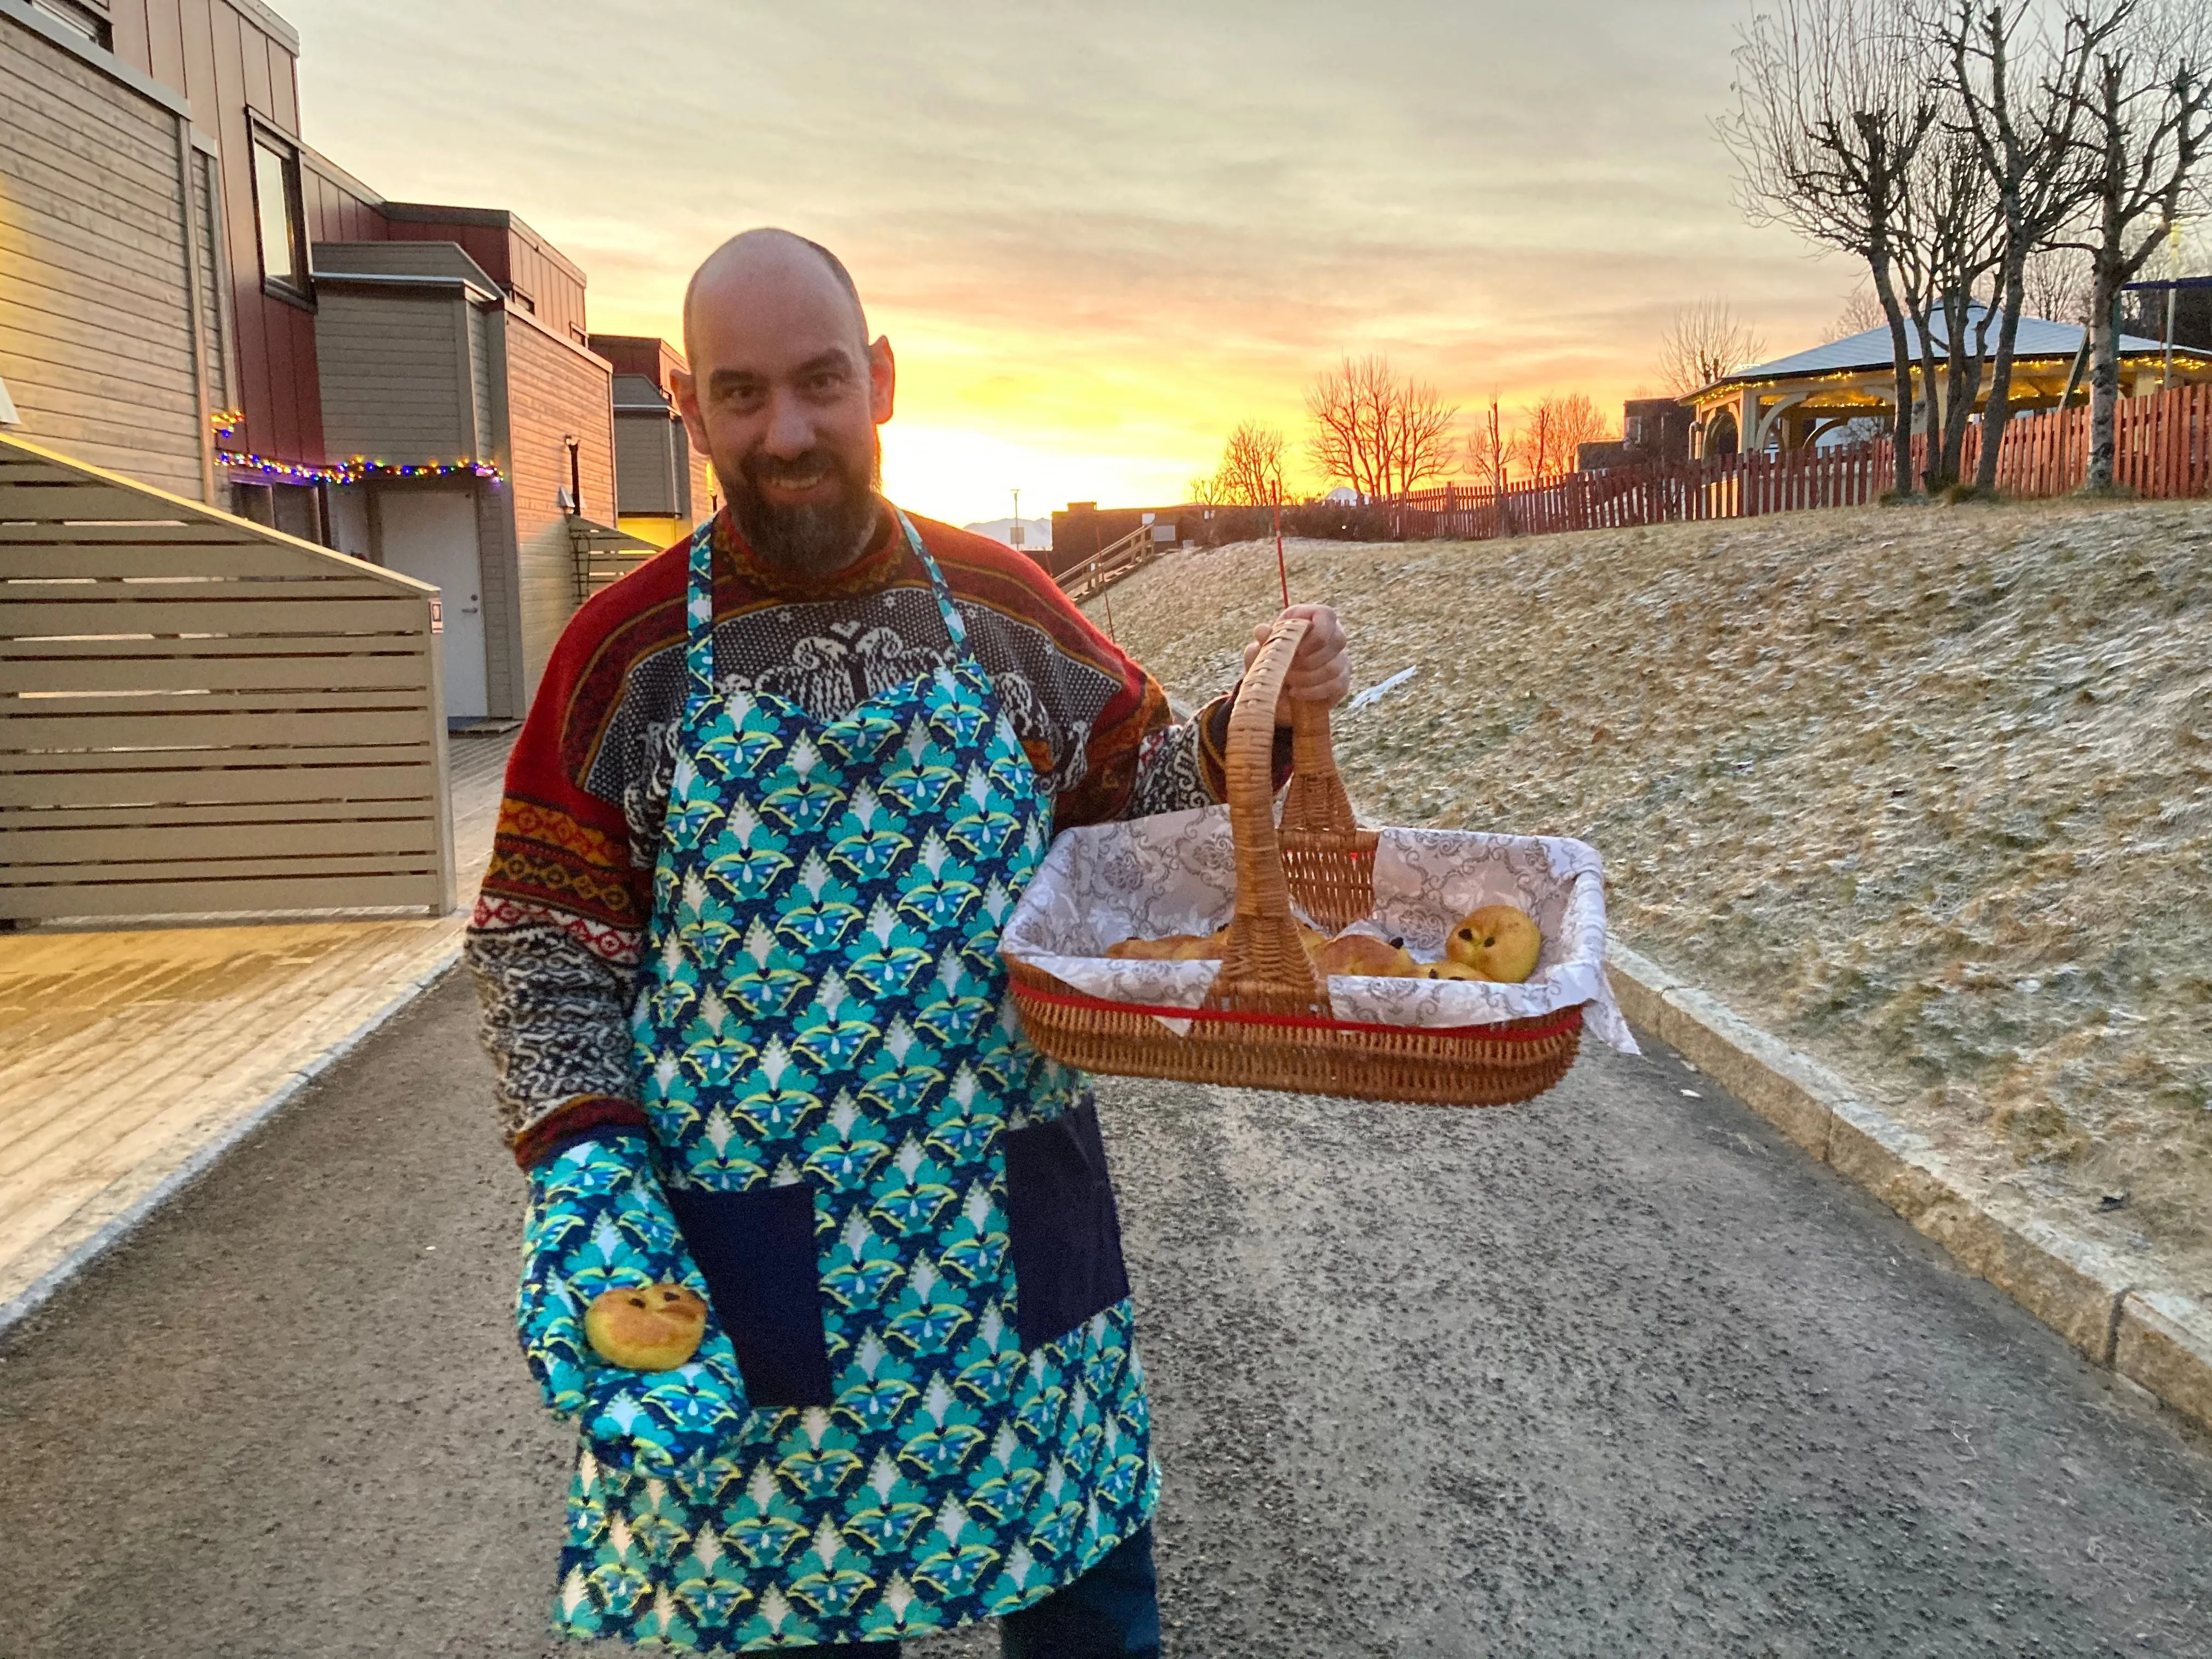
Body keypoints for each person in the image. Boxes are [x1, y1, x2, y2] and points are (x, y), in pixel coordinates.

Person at [465, 227, 1350, 1655]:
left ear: (878, 378)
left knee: (1090, 1629)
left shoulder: (1006, 611)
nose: (791, 430)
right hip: (759, 1286)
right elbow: (542, 943)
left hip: (1020, 1252)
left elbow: (1146, 819)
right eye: (744, 395)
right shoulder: (625, 661)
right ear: (688, 406)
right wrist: (585, 1165)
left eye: (819, 382)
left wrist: (1270, 721)